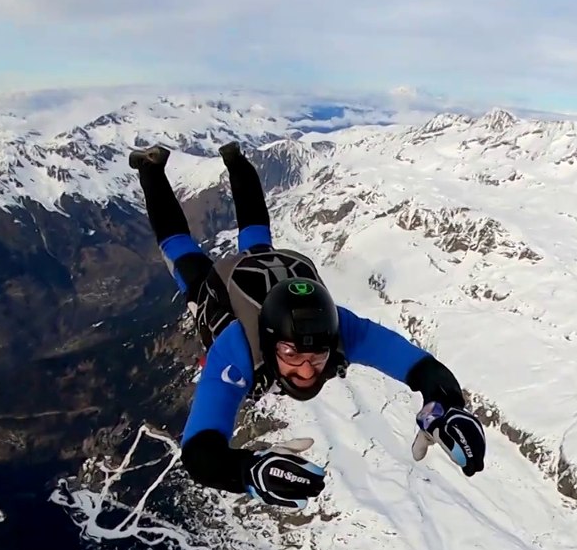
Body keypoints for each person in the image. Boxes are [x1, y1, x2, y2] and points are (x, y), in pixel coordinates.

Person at [129, 141, 488, 509]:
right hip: (223, 286)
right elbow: (200, 452)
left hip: (272, 272)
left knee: (255, 238)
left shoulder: (338, 330)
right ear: (269, 343)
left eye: (317, 356)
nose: (306, 370)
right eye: (291, 353)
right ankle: (152, 168)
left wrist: (445, 408)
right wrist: (246, 471)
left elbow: (420, 368)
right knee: (183, 253)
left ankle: (232, 161)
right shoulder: (236, 349)